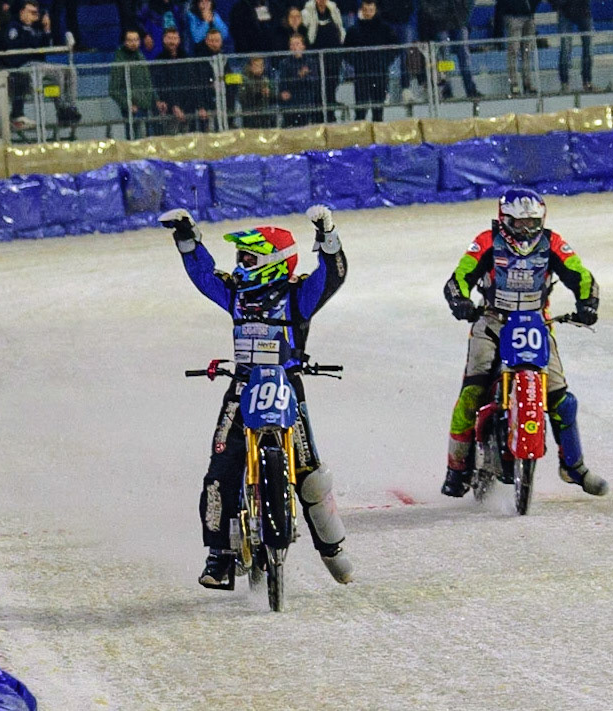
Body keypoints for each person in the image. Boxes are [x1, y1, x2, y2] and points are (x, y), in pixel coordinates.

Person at [158, 205, 353, 590]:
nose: (241, 264)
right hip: (242, 385)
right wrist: (187, 237)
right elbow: (203, 275)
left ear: (273, 260)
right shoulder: (235, 293)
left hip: (286, 384)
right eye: (241, 257)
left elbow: (332, 276)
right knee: (221, 470)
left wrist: (327, 234)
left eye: (249, 257)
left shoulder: (298, 295)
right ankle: (219, 555)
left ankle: (332, 549)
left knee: (309, 473)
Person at [441, 187, 609, 500]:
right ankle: (457, 468)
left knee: (562, 400)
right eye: (519, 223)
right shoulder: (486, 242)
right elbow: (458, 278)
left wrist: (588, 303)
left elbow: (582, 276)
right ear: (505, 220)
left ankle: (573, 467)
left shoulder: (553, 243)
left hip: (536, 324)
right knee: (471, 395)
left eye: (533, 223)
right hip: (491, 323)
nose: (527, 230)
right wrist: (460, 302)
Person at [7, 0, 81, 131]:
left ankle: (71, 107)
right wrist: (32, 36)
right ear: (22, 12)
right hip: (22, 67)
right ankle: (62, 109)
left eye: (36, 13)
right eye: (31, 12)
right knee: (56, 72)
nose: (35, 16)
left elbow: (45, 47)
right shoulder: (14, 27)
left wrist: (47, 30)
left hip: (40, 66)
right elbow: (18, 47)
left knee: (70, 70)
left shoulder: (37, 27)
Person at [110, 29, 169, 138]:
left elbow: (148, 81)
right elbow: (113, 90)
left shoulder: (141, 56)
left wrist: (156, 100)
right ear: (125, 42)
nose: (133, 43)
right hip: (133, 109)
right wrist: (128, 105)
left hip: (146, 105)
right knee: (135, 139)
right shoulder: (119, 61)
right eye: (130, 40)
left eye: (136, 40)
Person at [344, 0, 396, 122]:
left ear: (375, 10)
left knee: (378, 111)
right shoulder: (354, 30)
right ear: (361, 10)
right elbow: (346, 51)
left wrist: (385, 62)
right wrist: (357, 63)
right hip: (361, 74)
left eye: (371, 10)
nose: (368, 13)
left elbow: (394, 48)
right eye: (365, 10)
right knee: (360, 112)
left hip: (380, 73)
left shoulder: (385, 29)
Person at [418, 0, 480, 99]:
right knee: (445, 57)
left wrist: (463, 15)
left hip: (459, 21)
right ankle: (447, 90)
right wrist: (436, 15)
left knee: (463, 56)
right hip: (441, 23)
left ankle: (470, 89)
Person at [303, 0, 346, 120]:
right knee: (317, 90)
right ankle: (318, 119)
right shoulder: (307, 12)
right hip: (315, 59)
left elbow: (340, 28)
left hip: (333, 58)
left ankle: (331, 117)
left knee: (331, 88)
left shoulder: (333, 10)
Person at [278, 33, 321, 126]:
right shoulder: (284, 63)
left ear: (303, 46)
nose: (294, 47)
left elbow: (314, 81)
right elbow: (284, 83)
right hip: (290, 102)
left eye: (297, 44)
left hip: (306, 100)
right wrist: (300, 76)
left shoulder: (311, 62)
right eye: (292, 44)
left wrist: (302, 77)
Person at [495, 0, 536, 95]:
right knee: (513, 52)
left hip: (528, 15)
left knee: (527, 52)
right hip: (512, 15)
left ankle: (528, 83)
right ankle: (514, 84)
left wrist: (532, 7)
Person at [552, 0, 593, 92]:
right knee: (565, 49)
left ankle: (587, 81)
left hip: (584, 11)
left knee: (588, 49)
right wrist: (558, 5)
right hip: (565, 13)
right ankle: (564, 83)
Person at [238, 55, 276, 128]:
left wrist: (269, 93)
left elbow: (274, 95)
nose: (259, 68)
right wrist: (259, 93)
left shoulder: (265, 79)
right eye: (256, 66)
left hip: (264, 116)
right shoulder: (243, 80)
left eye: (261, 66)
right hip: (250, 117)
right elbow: (242, 98)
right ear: (250, 67)